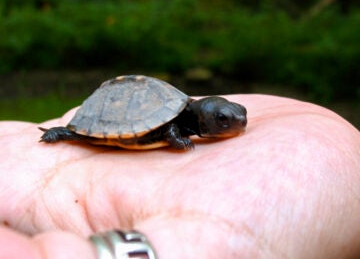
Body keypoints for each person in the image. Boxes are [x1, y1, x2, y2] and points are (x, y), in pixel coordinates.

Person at [0, 94, 359, 259]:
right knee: (85, 134)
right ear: (201, 117)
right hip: (108, 113)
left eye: (236, 118)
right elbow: (167, 127)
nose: (235, 125)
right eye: (223, 121)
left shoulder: (190, 116)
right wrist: (175, 138)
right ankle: (66, 132)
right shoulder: (177, 123)